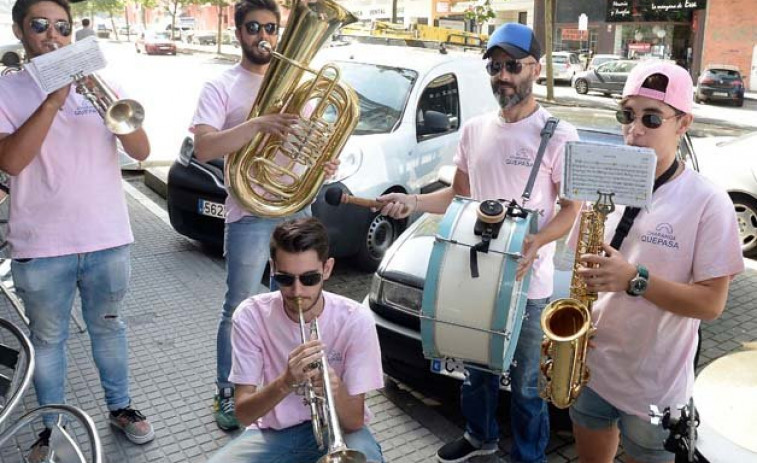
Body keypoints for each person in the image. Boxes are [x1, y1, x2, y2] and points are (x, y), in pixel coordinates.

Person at [379, 23, 581, 463]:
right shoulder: (473, 130)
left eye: (513, 65)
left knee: (528, 382)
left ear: (536, 68)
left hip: (531, 282)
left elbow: (570, 209)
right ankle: (480, 437)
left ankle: (529, 456)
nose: (503, 75)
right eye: (495, 66)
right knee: (477, 370)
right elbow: (459, 196)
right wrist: (411, 200)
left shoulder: (559, 135)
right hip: (473, 273)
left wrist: (537, 241)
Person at [0, 0, 154, 459]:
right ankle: (49, 427)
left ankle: (121, 407)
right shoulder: (8, 90)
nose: (53, 35)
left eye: (62, 26)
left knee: (109, 329)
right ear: (20, 31)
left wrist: (102, 96)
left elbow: (142, 150)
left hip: (107, 238)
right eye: (40, 25)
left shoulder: (102, 84)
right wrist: (53, 100)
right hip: (41, 245)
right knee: (48, 341)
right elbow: (10, 161)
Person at [568, 62, 744, 463]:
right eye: (626, 115)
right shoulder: (605, 179)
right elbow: (584, 267)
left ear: (683, 123)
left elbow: (711, 305)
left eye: (651, 117)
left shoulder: (708, 202)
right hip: (593, 369)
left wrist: (635, 279)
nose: (635, 129)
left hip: (655, 389)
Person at [190, 0, 340, 431]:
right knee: (238, 306)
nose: (263, 36)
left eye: (271, 28)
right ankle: (226, 389)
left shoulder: (299, 86)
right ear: (238, 32)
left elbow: (312, 143)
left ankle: (299, 381)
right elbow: (204, 148)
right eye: (253, 27)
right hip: (251, 212)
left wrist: (326, 163)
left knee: (301, 301)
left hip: (297, 207)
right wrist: (257, 125)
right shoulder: (221, 85)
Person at [207, 217, 384, 463]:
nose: (297, 291)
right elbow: (244, 414)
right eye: (285, 279)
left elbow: (354, 420)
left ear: (327, 269)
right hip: (275, 432)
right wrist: (286, 381)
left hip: (343, 431)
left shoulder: (355, 319)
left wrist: (335, 389)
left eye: (309, 279)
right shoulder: (251, 315)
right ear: (273, 268)